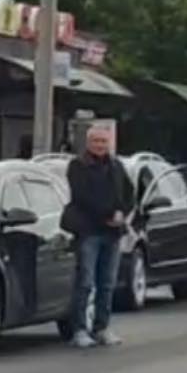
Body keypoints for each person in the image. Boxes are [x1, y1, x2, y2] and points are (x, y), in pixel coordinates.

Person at [65, 124, 135, 348]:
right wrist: (107, 214)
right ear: (88, 143)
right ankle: (79, 329)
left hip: (112, 233)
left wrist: (122, 212)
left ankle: (102, 327)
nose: (100, 145)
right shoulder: (78, 166)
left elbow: (129, 192)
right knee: (85, 282)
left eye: (104, 141)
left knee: (107, 283)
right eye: (96, 141)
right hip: (88, 231)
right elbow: (81, 196)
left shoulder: (116, 166)